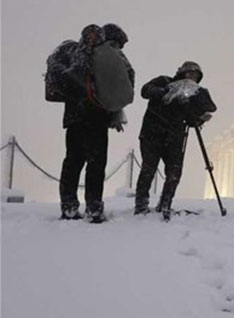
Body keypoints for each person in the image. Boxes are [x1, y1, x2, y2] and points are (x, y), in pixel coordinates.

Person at [47, 24, 133, 223]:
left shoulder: (71, 51)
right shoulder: (111, 56)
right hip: (97, 117)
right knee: (96, 164)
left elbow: (61, 77)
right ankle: (94, 208)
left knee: (73, 161)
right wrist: (114, 113)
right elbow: (122, 85)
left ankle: (69, 207)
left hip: (75, 116)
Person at [134, 61, 216, 221]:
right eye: (189, 73)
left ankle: (165, 204)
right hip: (152, 134)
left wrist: (200, 118)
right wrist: (166, 91)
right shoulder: (164, 81)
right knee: (148, 169)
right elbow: (145, 91)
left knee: (174, 172)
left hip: (175, 137)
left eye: (195, 76)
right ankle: (141, 205)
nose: (192, 77)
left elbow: (191, 120)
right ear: (182, 73)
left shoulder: (193, 94)